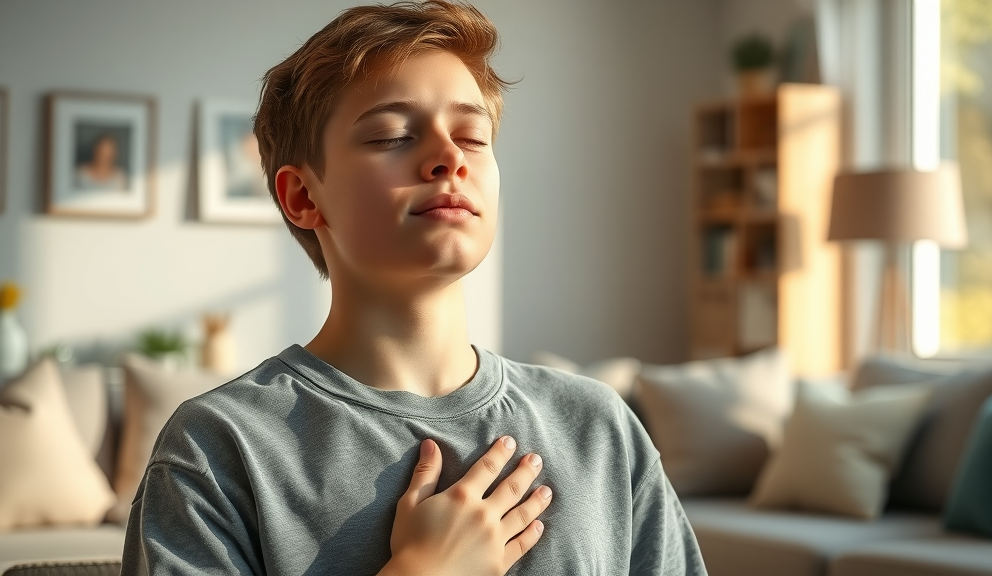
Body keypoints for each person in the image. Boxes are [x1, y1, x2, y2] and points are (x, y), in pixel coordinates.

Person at [120, 2, 707, 575]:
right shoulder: (218, 449)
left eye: (472, 138)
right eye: (393, 136)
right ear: (303, 197)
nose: (449, 158)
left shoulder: (599, 426)